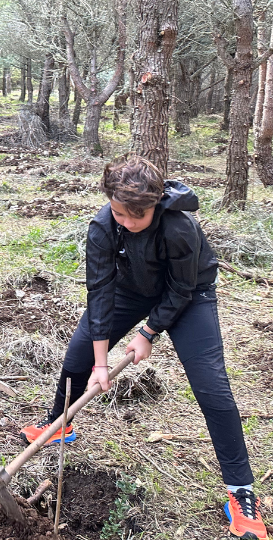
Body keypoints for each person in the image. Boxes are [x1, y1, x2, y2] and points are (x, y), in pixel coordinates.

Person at [19, 156, 267, 540]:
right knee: (78, 357)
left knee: (212, 387)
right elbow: (99, 291)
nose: (128, 223)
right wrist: (100, 364)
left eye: (138, 216)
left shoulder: (180, 226)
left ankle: (241, 493)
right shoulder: (103, 226)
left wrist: (148, 333)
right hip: (130, 288)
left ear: (155, 203)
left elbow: (182, 289)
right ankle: (59, 424)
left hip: (190, 295)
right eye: (121, 214)